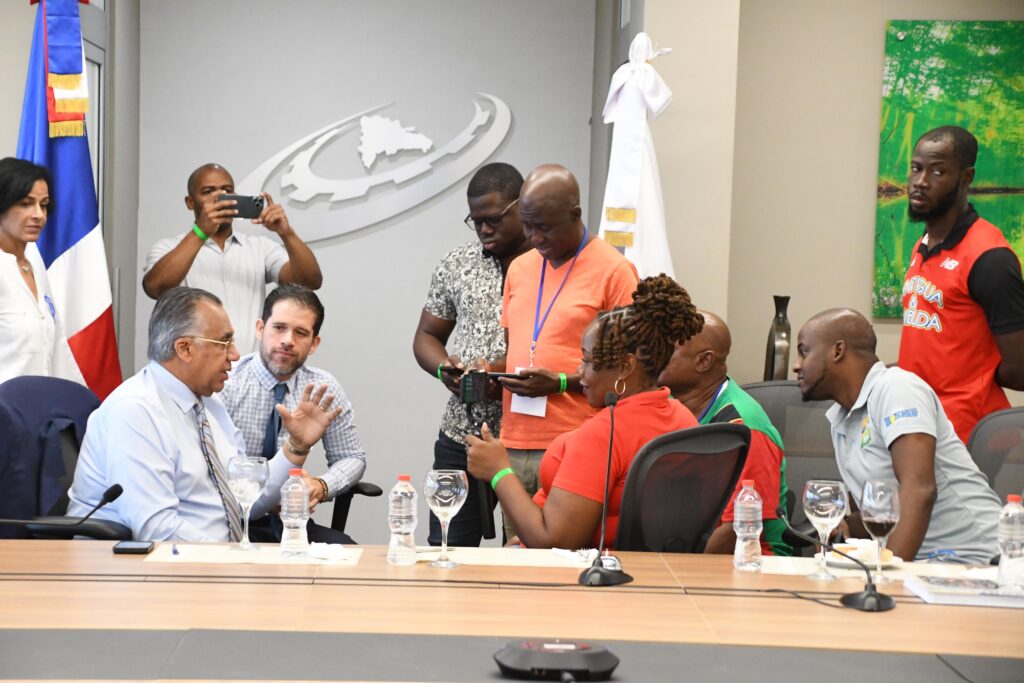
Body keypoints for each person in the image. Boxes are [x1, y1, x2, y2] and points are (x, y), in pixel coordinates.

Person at [68, 287, 343, 543]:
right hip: (148, 577)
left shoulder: (208, 406)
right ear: (185, 348)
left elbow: (246, 500)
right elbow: (157, 529)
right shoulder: (135, 411)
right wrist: (238, 565)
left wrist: (297, 446)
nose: (235, 354)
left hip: (209, 566)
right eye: (224, 342)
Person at [465, 275, 702, 549]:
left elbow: (553, 540)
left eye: (589, 361)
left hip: (589, 577)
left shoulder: (605, 434)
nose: (580, 372)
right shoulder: (682, 416)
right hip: (646, 571)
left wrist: (499, 471)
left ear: (625, 367)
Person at [490, 164, 639, 539]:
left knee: (563, 556)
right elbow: (518, 349)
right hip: (513, 439)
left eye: (544, 226)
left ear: (575, 214)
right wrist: (487, 372)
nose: (534, 237)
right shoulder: (520, 268)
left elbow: (629, 372)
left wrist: (559, 383)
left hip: (576, 444)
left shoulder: (615, 271)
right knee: (516, 555)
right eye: (527, 225)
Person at [794, 308, 1001, 564]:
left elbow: (920, 489)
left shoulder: (897, 388)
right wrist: (846, 526)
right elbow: (880, 513)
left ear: (837, 351)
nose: (796, 365)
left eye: (804, 352)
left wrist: (887, 583)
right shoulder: (840, 418)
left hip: (975, 560)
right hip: (924, 566)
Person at [412, 162, 532, 546]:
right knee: (447, 548)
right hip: (462, 434)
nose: (484, 229)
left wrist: (498, 374)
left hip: (531, 439)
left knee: (530, 555)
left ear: (522, 205)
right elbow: (426, 336)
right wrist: (443, 369)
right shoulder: (457, 263)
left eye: (494, 218)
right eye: (475, 220)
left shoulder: (549, 265)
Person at [898, 126, 1024, 445]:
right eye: (916, 168)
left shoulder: (990, 259)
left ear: (966, 177)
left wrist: (971, 375)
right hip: (919, 425)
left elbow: (1020, 369)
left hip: (967, 438)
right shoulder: (923, 245)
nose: (921, 181)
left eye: (938, 171)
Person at [220, 284, 366, 541]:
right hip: (229, 520)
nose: (288, 340)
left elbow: (352, 457)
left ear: (314, 344)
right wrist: (266, 493)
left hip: (291, 523)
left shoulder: (323, 388)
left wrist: (320, 486)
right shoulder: (226, 382)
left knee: (348, 556)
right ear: (260, 329)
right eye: (279, 328)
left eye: (300, 333)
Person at [142, 163, 323, 354]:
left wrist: (286, 233)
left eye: (227, 190)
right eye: (208, 191)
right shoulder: (169, 248)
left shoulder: (260, 247)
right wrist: (201, 232)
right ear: (190, 203)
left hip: (248, 370)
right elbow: (155, 288)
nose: (220, 198)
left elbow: (310, 281)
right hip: (193, 373)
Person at [658, 310, 791, 556]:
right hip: (693, 551)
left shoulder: (745, 427)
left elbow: (737, 531)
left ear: (704, 361)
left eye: (667, 348)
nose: (654, 356)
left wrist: (681, 573)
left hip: (752, 562)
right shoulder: (671, 405)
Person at [0, 157, 83, 386]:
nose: (38, 215)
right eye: (26, 204)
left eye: (43, 204)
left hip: (37, 410)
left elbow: (55, 350)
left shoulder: (33, 261)